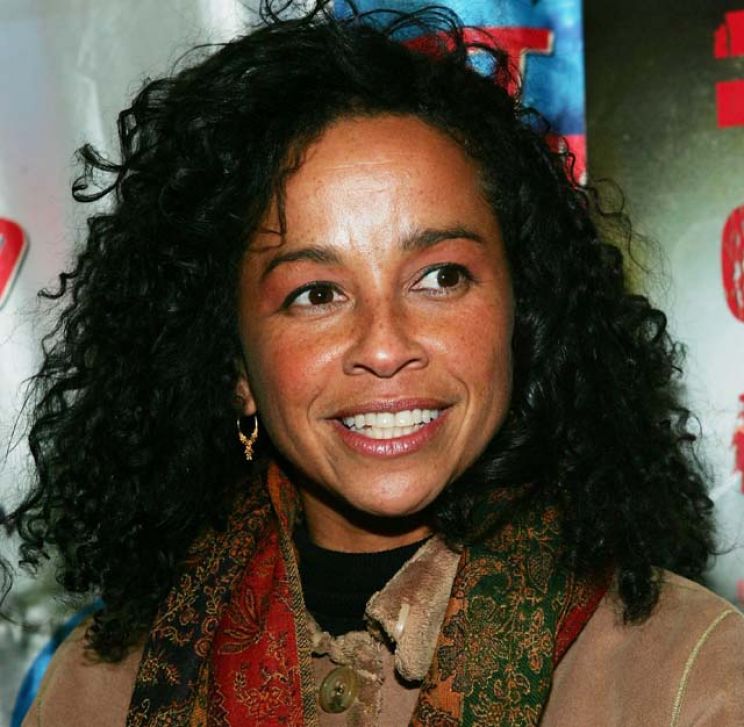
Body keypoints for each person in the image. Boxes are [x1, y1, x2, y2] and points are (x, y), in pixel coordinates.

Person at [5, 2, 744, 725]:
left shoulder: (691, 677)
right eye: (316, 293)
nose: (385, 346)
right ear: (233, 365)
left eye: (440, 277)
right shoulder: (99, 688)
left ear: (523, 316)